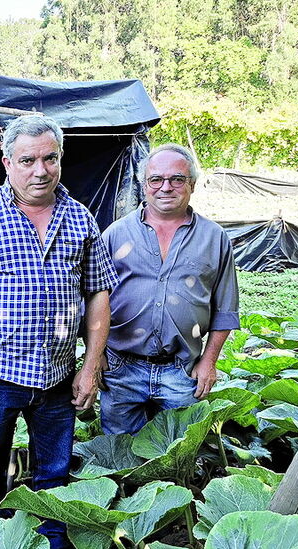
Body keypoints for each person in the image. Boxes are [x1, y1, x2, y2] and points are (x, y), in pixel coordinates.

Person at [0, 115, 117, 549]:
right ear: (7, 162)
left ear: (60, 159)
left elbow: (98, 294)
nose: (40, 170)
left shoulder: (80, 219)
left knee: (54, 476)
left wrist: (91, 367)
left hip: (58, 378)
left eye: (50, 158)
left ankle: (53, 543)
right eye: (28, 160)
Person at [99, 143, 239, 435]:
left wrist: (209, 362)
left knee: (175, 460)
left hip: (182, 370)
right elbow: (95, 302)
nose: (166, 187)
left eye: (177, 179)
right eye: (156, 180)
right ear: (144, 184)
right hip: (121, 368)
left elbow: (226, 310)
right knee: (119, 458)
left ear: (193, 185)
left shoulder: (214, 238)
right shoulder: (115, 234)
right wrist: (95, 356)